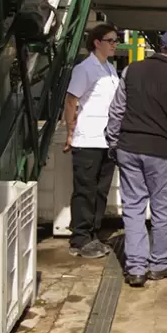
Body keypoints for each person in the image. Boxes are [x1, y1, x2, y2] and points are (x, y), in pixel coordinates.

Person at [106, 28, 167, 287]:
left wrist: (113, 142)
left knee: (134, 208)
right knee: (163, 209)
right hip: (160, 151)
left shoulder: (131, 70)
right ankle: (159, 265)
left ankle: (136, 268)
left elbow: (116, 111)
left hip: (128, 147)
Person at [64, 23, 121, 259]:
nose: (115, 44)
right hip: (87, 138)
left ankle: (93, 235)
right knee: (85, 190)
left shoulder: (110, 70)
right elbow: (71, 100)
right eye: (111, 40)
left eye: (116, 41)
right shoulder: (84, 69)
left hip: (106, 140)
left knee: (99, 190)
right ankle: (80, 238)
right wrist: (70, 131)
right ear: (97, 42)